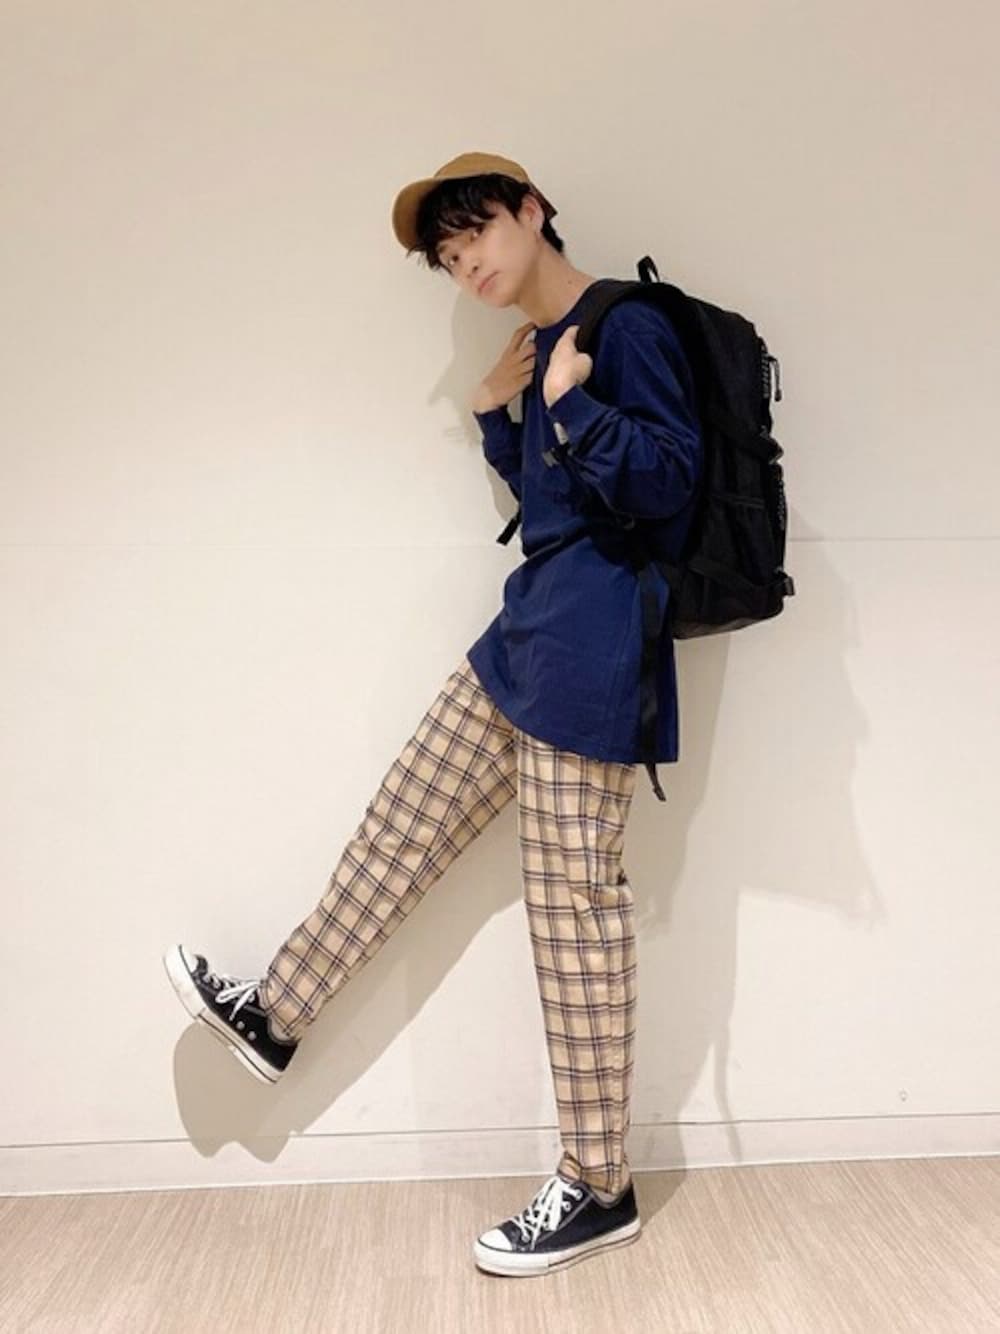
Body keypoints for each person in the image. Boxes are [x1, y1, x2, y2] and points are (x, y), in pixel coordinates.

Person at [164, 150, 703, 1277]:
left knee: (572, 916)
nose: (470, 269)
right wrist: (502, 414)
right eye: (452, 261)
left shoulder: (629, 325)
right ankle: (275, 1013)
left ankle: (599, 1185)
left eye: (478, 238)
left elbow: (667, 485)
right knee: (399, 826)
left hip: (595, 650)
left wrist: (571, 402)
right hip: (526, 635)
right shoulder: (542, 348)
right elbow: (559, 503)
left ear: (532, 211)